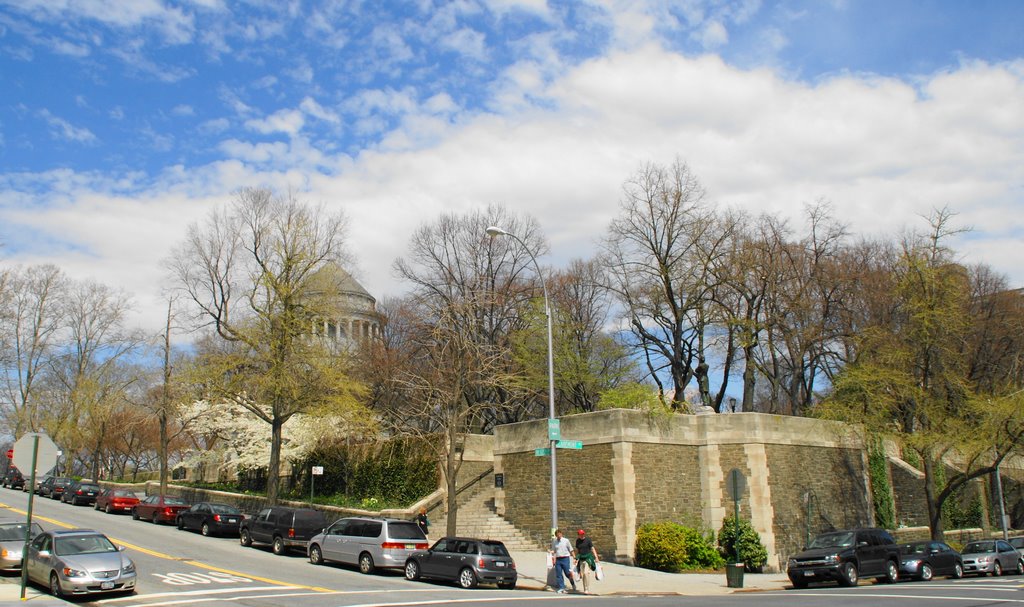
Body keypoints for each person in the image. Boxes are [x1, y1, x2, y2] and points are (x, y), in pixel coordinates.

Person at [550, 528, 577, 593]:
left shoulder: (566, 541)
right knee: (559, 574)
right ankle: (561, 587)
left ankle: (573, 583)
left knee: (567, 573)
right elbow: (554, 551)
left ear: (561, 534)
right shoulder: (555, 542)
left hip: (565, 558)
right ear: (556, 535)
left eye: (560, 534)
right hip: (558, 559)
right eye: (557, 535)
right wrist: (551, 553)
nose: (559, 536)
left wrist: (574, 557)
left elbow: (571, 549)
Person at [575, 529, 600, 594]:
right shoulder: (577, 541)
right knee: (583, 575)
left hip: (588, 559)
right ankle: (585, 589)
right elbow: (577, 550)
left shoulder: (588, 540)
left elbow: (592, 548)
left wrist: (596, 557)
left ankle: (587, 589)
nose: (582, 535)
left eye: (582, 534)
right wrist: (575, 558)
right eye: (580, 534)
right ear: (578, 535)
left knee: (586, 573)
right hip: (581, 559)